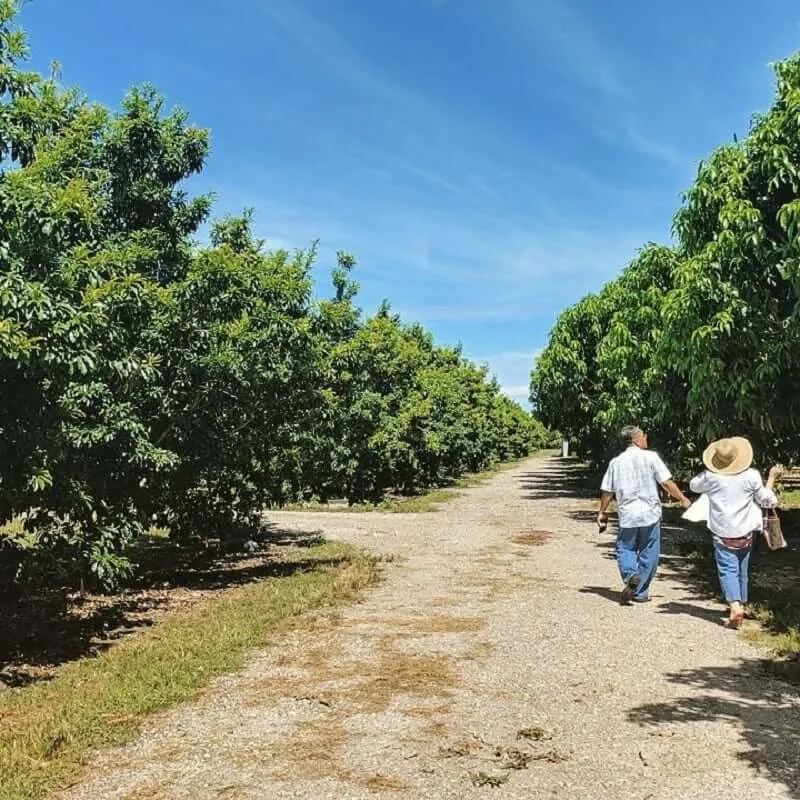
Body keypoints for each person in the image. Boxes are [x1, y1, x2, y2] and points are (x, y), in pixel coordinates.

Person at [688, 437, 781, 628]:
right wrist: (771, 478)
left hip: (722, 532)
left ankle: (734, 605)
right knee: (742, 568)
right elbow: (767, 500)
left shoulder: (711, 477)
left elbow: (693, 485)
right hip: (746, 531)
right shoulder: (751, 475)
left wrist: (710, 469)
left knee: (727, 569)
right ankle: (741, 603)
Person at [597, 425, 691, 604]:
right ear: (636, 440)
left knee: (625, 548)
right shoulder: (651, 457)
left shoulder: (616, 462)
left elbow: (608, 491)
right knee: (650, 551)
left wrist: (602, 511)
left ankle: (631, 575)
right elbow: (666, 482)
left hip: (628, 515)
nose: (646, 438)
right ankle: (640, 593)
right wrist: (682, 499)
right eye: (644, 436)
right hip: (650, 513)